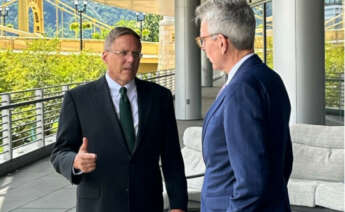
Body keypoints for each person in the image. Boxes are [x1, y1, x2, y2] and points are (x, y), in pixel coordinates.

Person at [51, 27, 188, 212]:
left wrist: (178, 206)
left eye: (136, 53)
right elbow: (59, 152)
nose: (131, 59)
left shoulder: (160, 97)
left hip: (148, 203)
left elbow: (172, 158)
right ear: (105, 56)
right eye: (123, 53)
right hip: (99, 205)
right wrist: (75, 161)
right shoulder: (78, 99)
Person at [195, 0, 293, 211]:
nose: (202, 47)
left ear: (221, 42)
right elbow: (284, 160)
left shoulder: (240, 90)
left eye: (203, 40)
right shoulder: (270, 78)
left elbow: (251, 182)